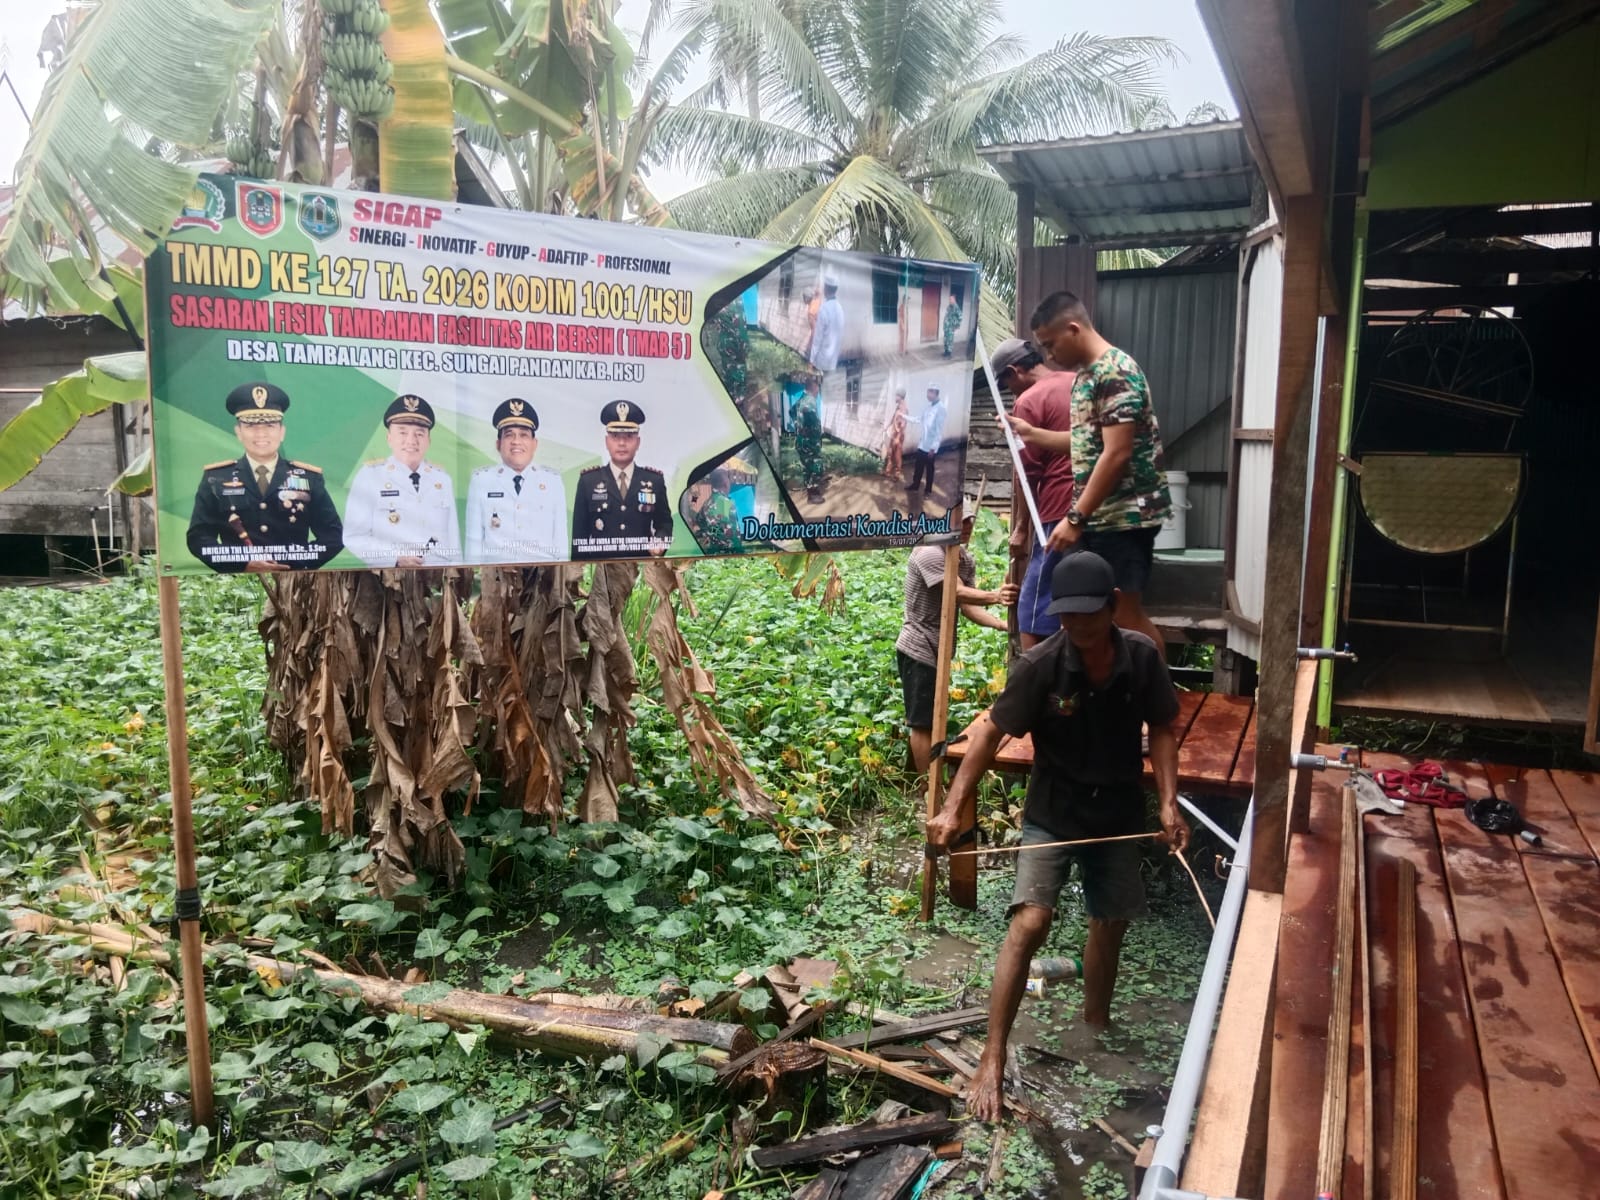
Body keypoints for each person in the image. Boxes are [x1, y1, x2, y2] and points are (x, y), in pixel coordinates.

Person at [926, 551, 1189, 1121]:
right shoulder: (1041, 664)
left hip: (1117, 813)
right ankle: (993, 1054)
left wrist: (1168, 802)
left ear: (1112, 607)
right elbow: (990, 733)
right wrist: (950, 808)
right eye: (1066, 616)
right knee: (1030, 921)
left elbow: (1164, 729)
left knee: (1110, 921)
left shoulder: (1142, 656)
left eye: (1087, 615)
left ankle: (1097, 1026)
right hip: (1053, 812)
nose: (1076, 627)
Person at [1006, 290, 1172, 659]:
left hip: (1124, 518)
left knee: (1125, 616)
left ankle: (1159, 691)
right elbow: (1087, 443)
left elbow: (1117, 453)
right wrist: (1031, 434)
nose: (1049, 355)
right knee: (1092, 615)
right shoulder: (1086, 376)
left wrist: (1075, 518)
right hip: (1099, 519)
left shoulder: (1115, 372)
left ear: (1073, 329)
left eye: (1051, 344)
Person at [897, 501, 1019, 773]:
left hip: (940, 648)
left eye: (969, 520)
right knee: (922, 723)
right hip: (918, 647)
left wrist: (1001, 625)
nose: (967, 526)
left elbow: (967, 606)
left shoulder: (963, 558)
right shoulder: (928, 551)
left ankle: (917, 776)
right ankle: (927, 787)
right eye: (960, 521)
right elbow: (955, 590)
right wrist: (996, 596)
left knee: (931, 717)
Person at [186, 381, 343, 573]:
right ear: (238, 432)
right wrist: (241, 564)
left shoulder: (309, 478)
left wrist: (296, 565)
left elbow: (333, 536)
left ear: (282, 432)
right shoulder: (216, 478)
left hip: (295, 581)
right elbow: (199, 537)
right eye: (251, 426)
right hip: (238, 580)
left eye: (269, 425)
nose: (261, 434)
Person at [985, 338, 1076, 649]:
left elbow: (1026, 473)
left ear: (1015, 371)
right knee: (1078, 593)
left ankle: (1035, 675)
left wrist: (1022, 527)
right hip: (1091, 507)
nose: (1010, 392)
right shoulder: (1076, 382)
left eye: (1006, 383)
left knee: (1032, 607)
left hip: (1056, 509)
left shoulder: (1028, 400)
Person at [344, 394, 461, 568]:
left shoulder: (442, 479)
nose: (411, 441)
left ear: (428, 440)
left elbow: (453, 541)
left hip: (438, 575)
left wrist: (457, 574)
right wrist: (395, 557)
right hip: (390, 576)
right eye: (403, 432)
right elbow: (354, 537)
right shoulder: (370, 476)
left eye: (419, 434)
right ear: (389, 438)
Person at [465, 397, 568, 564]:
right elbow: (473, 544)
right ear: (498, 444)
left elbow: (560, 544)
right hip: (497, 576)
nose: (516, 442)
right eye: (509, 435)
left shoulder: (552, 482)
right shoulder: (481, 481)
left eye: (524, 435)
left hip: (541, 575)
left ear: (535, 444)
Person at [570, 400, 673, 559]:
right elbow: (579, 536)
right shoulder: (588, 481)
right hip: (602, 568)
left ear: (638, 442)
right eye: (615, 436)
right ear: (606, 441)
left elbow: (665, 523)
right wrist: (577, 569)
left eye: (629, 436)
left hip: (642, 567)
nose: (622, 443)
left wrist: (660, 542)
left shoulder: (654, 481)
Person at [907, 385, 948, 496]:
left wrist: (933, 448)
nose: (927, 395)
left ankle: (928, 490)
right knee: (918, 467)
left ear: (935, 393)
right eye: (927, 392)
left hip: (931, 447)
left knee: (929, 469)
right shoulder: (928, 407)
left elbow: (939, 431)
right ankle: (915, 485)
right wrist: (904, 416)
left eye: (929, 393)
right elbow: (918, 419)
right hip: (922, 444)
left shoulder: (941, 408)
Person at [794, 379, 825, 501]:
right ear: (814, 387)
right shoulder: (810, 400)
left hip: (801, 440)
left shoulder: (801, 399)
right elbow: (811, 417)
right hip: (810, 441)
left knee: (806, 466)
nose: (818, 391)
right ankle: (813, 494)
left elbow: (791, 411)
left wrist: (799, 426)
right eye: (817, 388)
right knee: (815, 466)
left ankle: (810, 490)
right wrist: (816, 431)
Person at [809, 274, 844, 372]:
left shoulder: (824, 309)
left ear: (826, 289)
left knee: (819, 380)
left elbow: (817, 339)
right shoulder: (840, 308)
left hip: (822, 360)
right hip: (833, 360)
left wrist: (811, 361)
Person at [881, 388, 909, 480]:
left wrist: (898, 437)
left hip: (898, 435)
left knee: (897, 455)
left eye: (896, 395)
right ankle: (888, 472)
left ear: (900, 396)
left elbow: (903, 425)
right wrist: (886, 427)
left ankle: (897, 474)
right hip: (894, 434)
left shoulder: (903, 409)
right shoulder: (898, 407)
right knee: (890, 453)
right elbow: (893, 418)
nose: (895, 397)